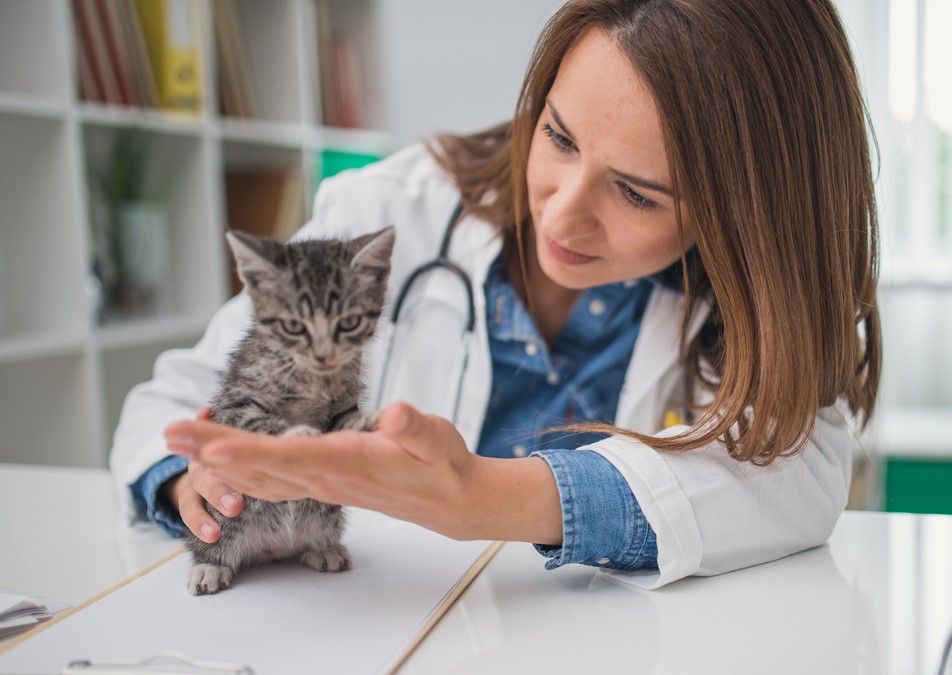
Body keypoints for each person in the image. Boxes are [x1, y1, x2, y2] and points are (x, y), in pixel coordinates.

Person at [110, 0, 881, 590]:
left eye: (638, 194)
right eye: (559, 136)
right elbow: (168, 401)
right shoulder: (385, 214)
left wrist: (489, 496)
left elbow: (800, 474)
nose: (562, 210)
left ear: (743, 212)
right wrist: (194, 483)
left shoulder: (741, 296)